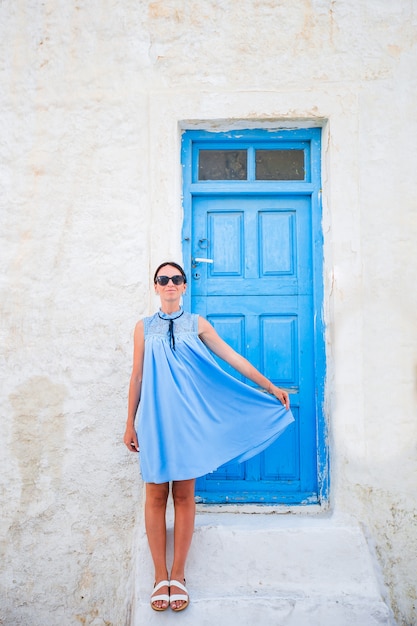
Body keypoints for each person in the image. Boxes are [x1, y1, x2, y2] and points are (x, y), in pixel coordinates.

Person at [124, 261, 294, 612]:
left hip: (188, 422)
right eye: (163, 279)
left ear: (184, 286)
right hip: (155, 421)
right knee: (155, 494)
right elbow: (137, 377)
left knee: (184, 494)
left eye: (176, 279)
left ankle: (178, 574)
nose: (169, 284)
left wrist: (269, 386)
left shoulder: (197, 323)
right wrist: (130, 422)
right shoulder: (142, 328)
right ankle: (159, 576)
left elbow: (232, 359)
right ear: (155, 286)